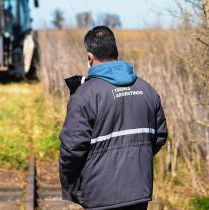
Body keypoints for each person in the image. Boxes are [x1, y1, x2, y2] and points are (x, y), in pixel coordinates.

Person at [59, 26, 168, 210]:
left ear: (90, 57)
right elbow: (159, 136)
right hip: (138, 193)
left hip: (99, 195)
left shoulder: (84, 95)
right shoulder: (148, 90)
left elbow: (72, 149)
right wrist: (136, 160)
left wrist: (73, 186)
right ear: (115, 52)